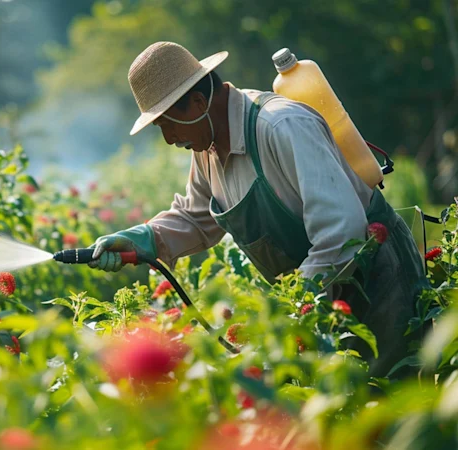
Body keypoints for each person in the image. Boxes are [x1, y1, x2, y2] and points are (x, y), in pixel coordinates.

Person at [88, 41, 429, 378]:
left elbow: (342, 230)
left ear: (197, 102)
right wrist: (145, 238)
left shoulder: (281, 127)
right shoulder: (206, 145)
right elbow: (196, 217)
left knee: (400, 397)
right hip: (325, 294)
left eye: (166, 124)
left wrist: (292, 306)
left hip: (380, 277)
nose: (168, 139)